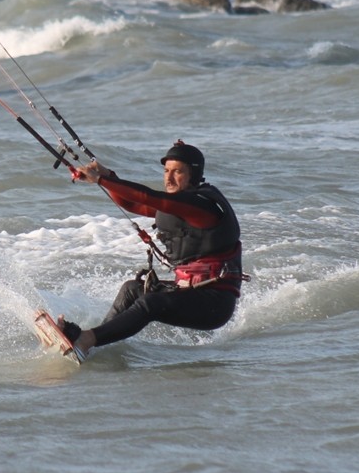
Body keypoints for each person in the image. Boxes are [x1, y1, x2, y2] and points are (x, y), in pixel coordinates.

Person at [56, 140, 244, 359]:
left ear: (193, 175)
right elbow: (132, 204)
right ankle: (93, 344)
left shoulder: (201, 206)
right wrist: (108, 177)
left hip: (214, 303)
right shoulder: (178, 206)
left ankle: (86, 339)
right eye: (166, 171)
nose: (169, 178)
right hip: (189, 291)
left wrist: (102, 179)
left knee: (150, 303)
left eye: (178, 172)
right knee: (131, 289)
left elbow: (149, 197)